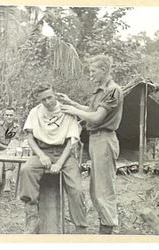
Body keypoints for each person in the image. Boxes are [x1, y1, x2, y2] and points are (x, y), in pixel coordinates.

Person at [59, 55, 124, 234]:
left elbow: (97, 117)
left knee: (104, 187)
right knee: (96, 187)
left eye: (93, 71)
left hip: (104, 139)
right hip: (96, 139)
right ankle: (105, 224)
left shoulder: (113, 91)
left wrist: (73, 111)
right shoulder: (101, 91)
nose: (91, 74)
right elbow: (91, 110)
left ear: (104, 70)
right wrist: (71, 103)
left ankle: (107, 228)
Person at [17, 83, 88, 234]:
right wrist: (41, 155)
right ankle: (32, 219)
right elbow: (30, 138)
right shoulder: (35, 112)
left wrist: (60, 163)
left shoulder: (67, 111)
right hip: (43, 151)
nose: (47, 102)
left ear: (55, 94)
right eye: (43, 100)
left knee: (77, 189)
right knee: (26, 170)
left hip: (64, 153)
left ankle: (80, 227)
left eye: (50, 97)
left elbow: (71, 141)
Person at [0, 107, 21, 193]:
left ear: (14, 116)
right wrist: (7, 149)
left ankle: (7, 182)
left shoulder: (17, 128)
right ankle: (7, 182)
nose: (9, 117)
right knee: (6, 155)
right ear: (3, 116)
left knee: (10, 152)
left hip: (11, 152)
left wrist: (9, 149)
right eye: (7, 115)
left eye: (11, 115)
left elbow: (14, 142)